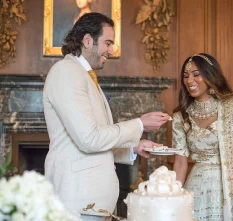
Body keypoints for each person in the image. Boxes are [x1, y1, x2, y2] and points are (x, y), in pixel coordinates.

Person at [43, 12, 170, 221]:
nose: (111, 50)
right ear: (87, 40)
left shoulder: (84, 75)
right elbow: (89, 139)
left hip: (91, 205)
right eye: (108, 43)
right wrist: (139, 124)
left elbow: (95, 140)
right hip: (77, 203)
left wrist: (133, 147)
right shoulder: (66, 71)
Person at [172, 53, 233, 221]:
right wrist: (173, 199)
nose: (189, 81)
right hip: (197, 190)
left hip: (232, 189)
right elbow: (180, 162)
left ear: (209, 75)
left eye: (196, 74)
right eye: (185, 76)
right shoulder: (181, 116)